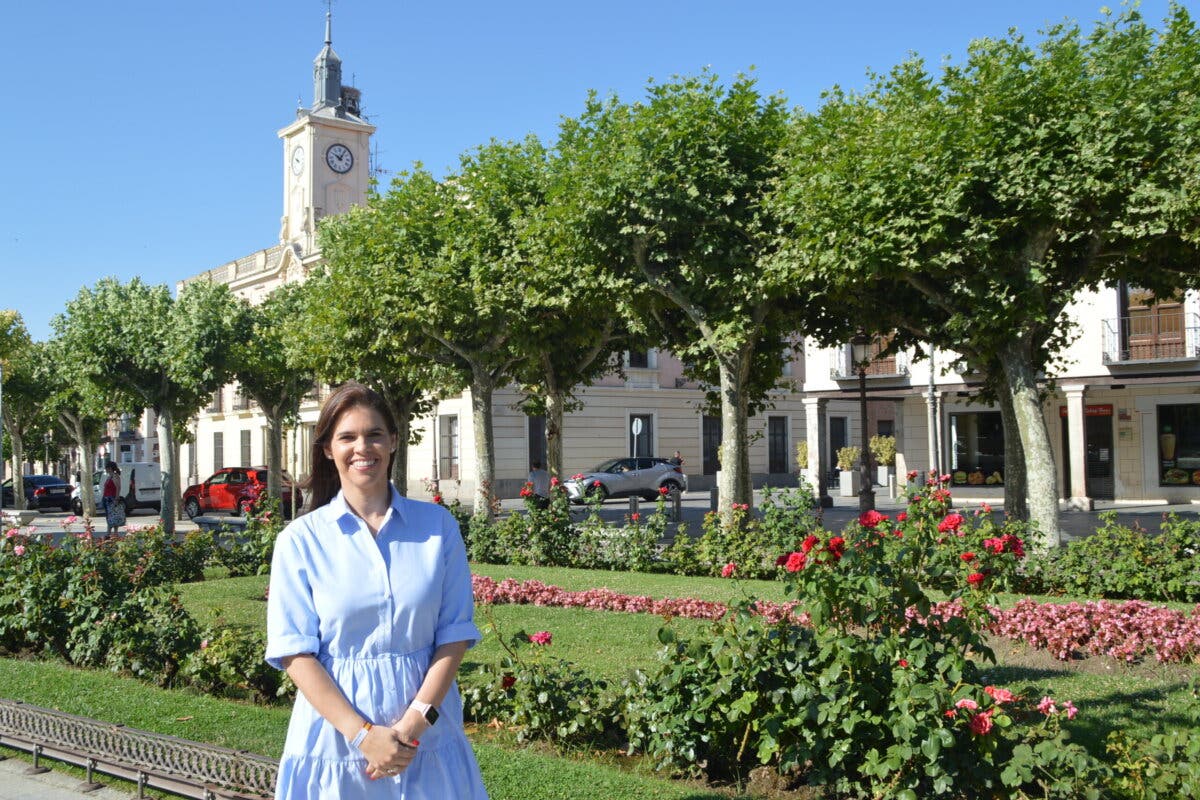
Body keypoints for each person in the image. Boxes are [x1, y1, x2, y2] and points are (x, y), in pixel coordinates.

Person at [265, 382, 487, 799]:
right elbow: (294, 651)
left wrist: (413, 725)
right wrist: (362, 735)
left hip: (427, 741)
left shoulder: (438, 528)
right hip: (335, 740)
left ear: (393, 441)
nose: (362, 447)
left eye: (374, 434)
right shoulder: (300, 541)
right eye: (347, 437)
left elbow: (454, 634)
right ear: (329, 449)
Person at [101, 461, 122, 536]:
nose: (105, 470)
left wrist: (116, 498)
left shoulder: (115, 476)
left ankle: (113, 532)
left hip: (111, 498)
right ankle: (109, 531)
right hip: (106, 498)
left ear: (110, 468)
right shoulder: (109, 476)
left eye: (106, 468)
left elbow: (118, 487)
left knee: (113, 515)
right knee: (109, 516)